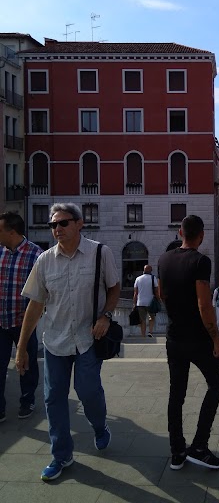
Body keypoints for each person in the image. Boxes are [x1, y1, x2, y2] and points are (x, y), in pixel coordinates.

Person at [15, 203, 120, 481]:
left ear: (79, 224)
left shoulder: (100, 252)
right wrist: (22, 347)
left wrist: (106, 315)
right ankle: (61, 455)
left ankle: (100, 427)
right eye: (53, 225)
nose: (57, 229)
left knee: (88, 392)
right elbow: (35, 305)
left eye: (63, 223)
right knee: (53, 398)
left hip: (88, 338)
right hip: (55, 340)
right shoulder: (45, 260)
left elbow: (114, 287)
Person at [158, 215, 219, 471]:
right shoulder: (201, 261)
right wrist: (216, 340)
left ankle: (177, 452)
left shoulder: (164, 259)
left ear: (180, 232)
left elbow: (161, 293)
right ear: (202, 235)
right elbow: (204, 304)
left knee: (176, 395)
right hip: (198, 338)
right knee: (216, 383)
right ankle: (199, 446)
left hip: (173, 337)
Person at [0, 212, 43, 423]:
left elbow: (42, 293)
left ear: (12, 232)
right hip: (0, 321)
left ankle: (27, 401)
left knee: (26, 364)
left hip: (24, 323)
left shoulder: (36, 255)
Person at [133, 265, 161, 338]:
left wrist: (134, 303)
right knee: (152, 318)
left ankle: (143, 335)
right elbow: (156, 290)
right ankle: (150, 332)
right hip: (150, 302)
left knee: (142, 320)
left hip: (140, 302)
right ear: (150, 271)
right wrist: (159, 299)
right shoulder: (153, 278)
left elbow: (135, 293)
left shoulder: (138, 279)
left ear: (144, 270)